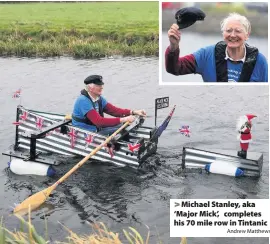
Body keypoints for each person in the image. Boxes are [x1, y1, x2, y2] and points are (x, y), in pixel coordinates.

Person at [165, 12, 268, 82]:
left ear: (247, 35)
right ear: (223, 34)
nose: (232, 35)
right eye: (228, 31)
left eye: (238, 31)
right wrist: (173, 46)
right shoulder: (206, 55)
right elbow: (175, 68)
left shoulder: (260, 61)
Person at [72, 75, 146, 135]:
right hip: (85, 130)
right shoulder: (83, 101)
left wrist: (134, 112)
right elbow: (99, 122)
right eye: (99, 85)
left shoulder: (98, 98)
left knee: (125, 125)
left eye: (101, 85)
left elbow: (114, 111)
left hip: (96, 126)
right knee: (122, 130)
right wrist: (124, 119)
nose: (102, 87)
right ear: (90, 88)